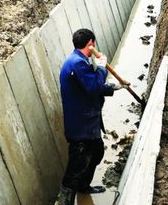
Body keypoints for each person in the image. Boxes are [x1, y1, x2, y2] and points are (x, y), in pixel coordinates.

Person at [57, 28, 128, 205]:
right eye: (93, 43)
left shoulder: (79, 60)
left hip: (89, 121)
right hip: (81, 125)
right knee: (76, 166)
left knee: (96, 153)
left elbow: (91, 85)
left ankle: (83, 187)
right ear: (90, 44)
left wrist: (114, 87)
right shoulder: (77, 64)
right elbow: (93, 87)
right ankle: (65, 200)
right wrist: (103, 67)